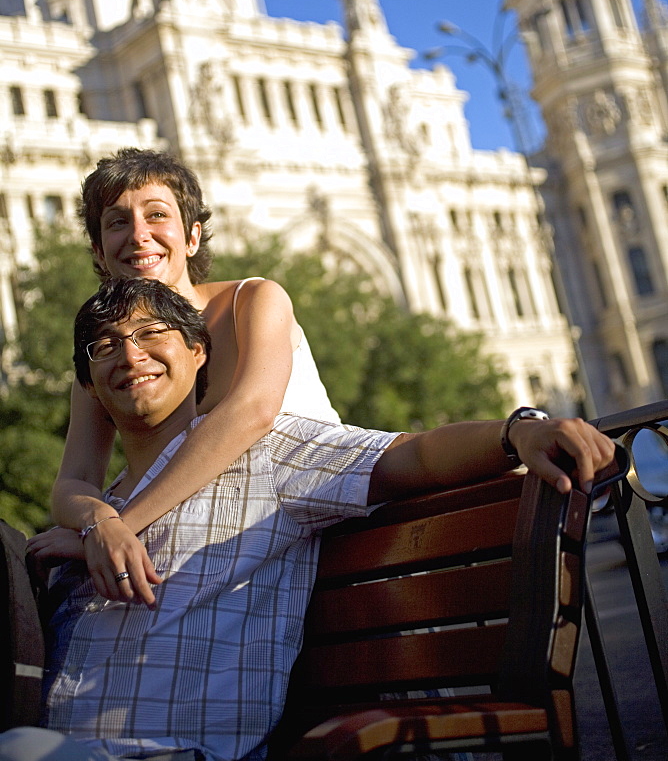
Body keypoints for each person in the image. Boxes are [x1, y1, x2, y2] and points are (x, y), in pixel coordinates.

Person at [3, 277, 615, 761]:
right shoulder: (90, 520)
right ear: (90, 385)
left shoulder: (270, 458)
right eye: (106, 345)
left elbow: (411, 455)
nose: (129, 354)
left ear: (197, 352)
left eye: (150, 332)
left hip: (166, 751)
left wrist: (518, 433)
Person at [29, 147, 339, 608]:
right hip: (214, 556)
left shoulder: (251, 301)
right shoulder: (110, 357)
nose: (139, 236)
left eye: (156, 215)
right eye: (117, 222)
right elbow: (72, 483)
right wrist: (100, 522)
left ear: (192, 236)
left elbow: (250, 413)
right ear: (98, 250)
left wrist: (123, 525)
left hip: (313, 519)